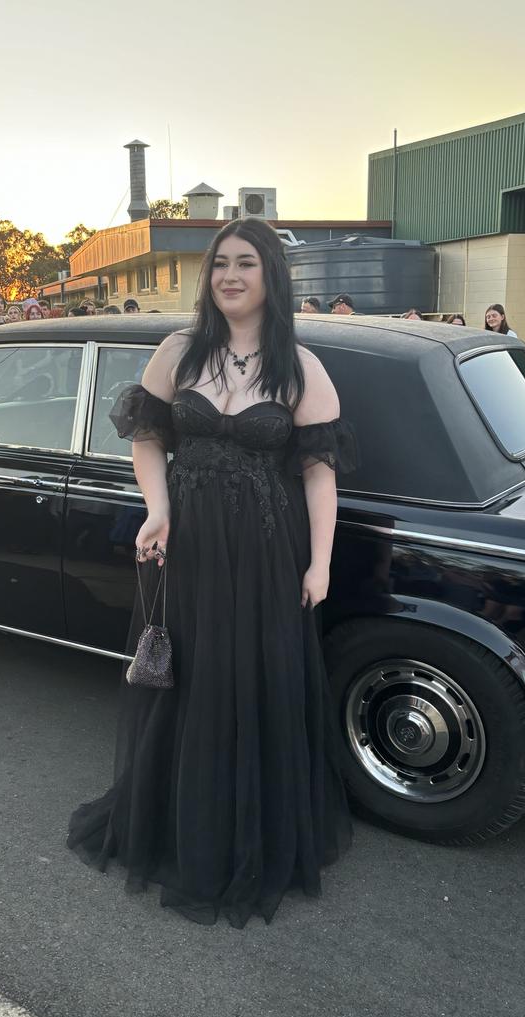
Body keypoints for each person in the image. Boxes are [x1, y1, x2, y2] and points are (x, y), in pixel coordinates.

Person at [67, 217, 355, 928]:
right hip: (189, 544)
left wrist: (319, 563)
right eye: (221, 262)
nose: (230, 274)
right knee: (186, 677)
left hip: (264, 551)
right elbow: (148, 441)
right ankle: (177, 822)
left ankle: (245, 834)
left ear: (270, 277)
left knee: (248, 681)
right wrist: (156, 510)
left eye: (246, 263)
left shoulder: (301, 368)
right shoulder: (176, 351)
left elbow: (320, 475)